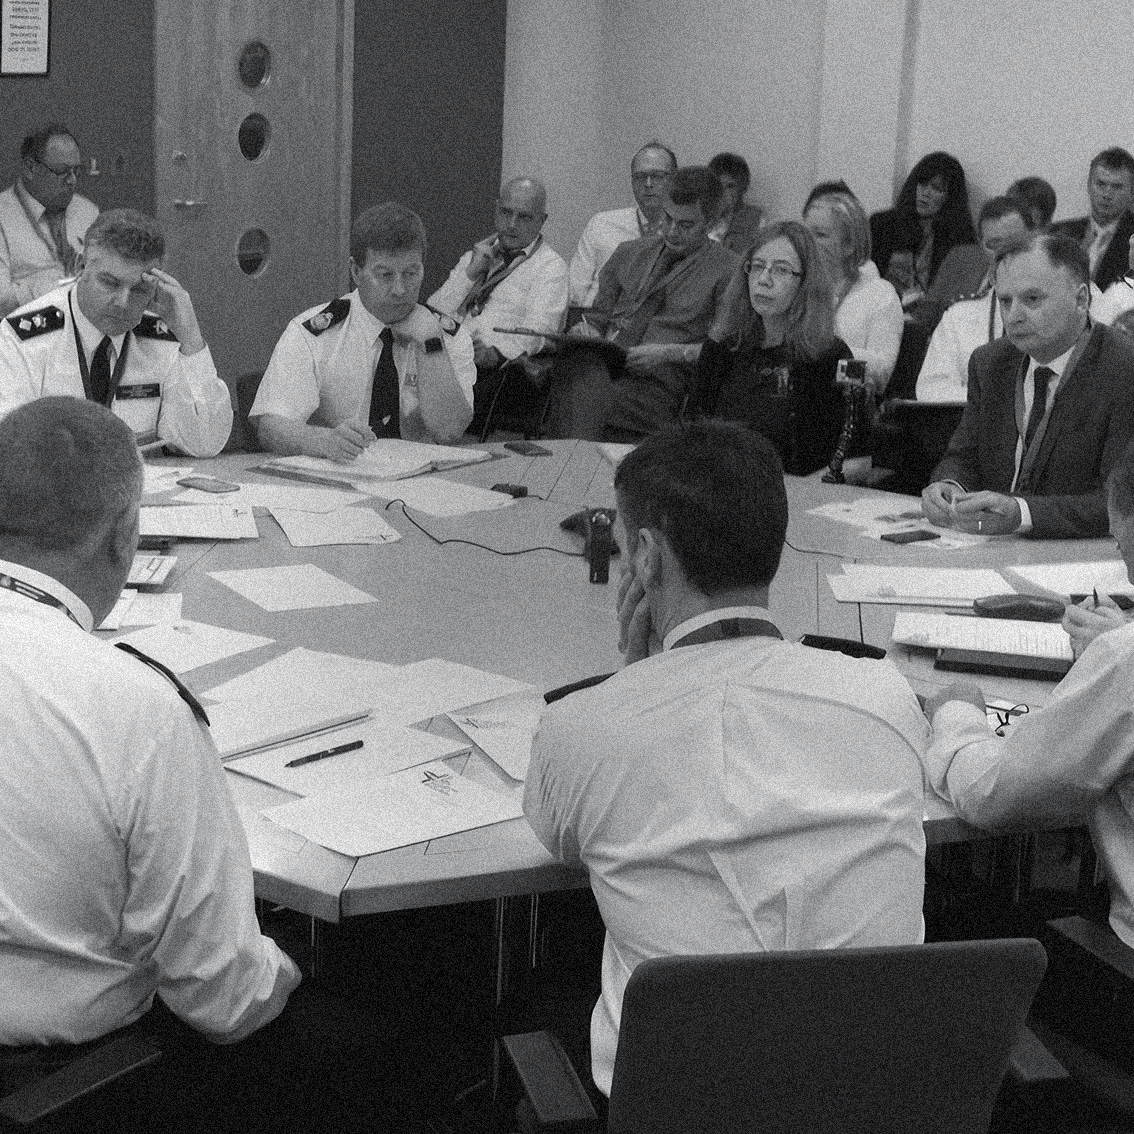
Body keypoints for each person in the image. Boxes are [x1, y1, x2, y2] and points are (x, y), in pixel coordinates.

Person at [524, 420, 928, 1098]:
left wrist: (635, 678)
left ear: (646, 557)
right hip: (879, 1099)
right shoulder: (884, 695)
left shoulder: (582, 727)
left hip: (678, 1104)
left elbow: (558, 839)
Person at [0, 397, 300, 1126]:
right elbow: (225, 1001)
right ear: (124, 537)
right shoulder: (138, 711)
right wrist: (295, 966)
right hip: (65, 1089)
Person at [924, 439, 1134, 954]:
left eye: (1121, 547)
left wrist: (956, 714)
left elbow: (991, 796)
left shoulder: (1124, 662)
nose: (1126, 569)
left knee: (964, 930)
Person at [922, 232, 1134, 539]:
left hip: (1080, 554)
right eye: (1005, 301)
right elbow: (963, 457)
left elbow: (1122, 502)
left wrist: (1023, 513)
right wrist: (949, 486)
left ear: (1081, 299)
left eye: (1032, 299)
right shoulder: (990, 363)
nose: (1014, 316)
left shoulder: (1124, 369)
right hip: (992, 545)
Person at [0, 208, 232, 457]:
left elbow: (205, 443)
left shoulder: (162, 337)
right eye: (110, 283)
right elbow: (9, 449)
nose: (123, 302)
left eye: (139, 290)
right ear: (80, 267)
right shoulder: (24, 338)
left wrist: (192, 341)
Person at [251, 202, 475, 460]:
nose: (400, 289)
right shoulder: (314, 334)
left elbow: (449, 432)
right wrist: (322, 440)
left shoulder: (446, 335)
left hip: (421, 476)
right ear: (356, 272)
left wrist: (431, 342)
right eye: (385, 275)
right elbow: (271, 426)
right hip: (339, 472)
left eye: (411, 273)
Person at [545, 166, 738, 441]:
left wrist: (669, 353)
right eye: (667, 218)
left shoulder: (728, 270)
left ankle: (572, 455)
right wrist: (586, 331)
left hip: (662, 380)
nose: (672, 231)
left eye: (686, 225)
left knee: (594, 400)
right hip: (604, 366)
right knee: (571, 373)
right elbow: (597, 317)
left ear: (711, 223)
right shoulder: (629, 253)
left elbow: (725, 351)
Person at [692, 221, 851, 474]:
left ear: (806, 283)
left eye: (781, 270)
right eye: (757, 267)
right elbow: (691, 432)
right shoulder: (722, 347)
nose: (763, 280)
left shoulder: (827, 356)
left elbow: (855, 456)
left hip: (795, 489)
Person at [426, 177, 567, 434]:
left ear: (542, 220)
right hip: (450, 357)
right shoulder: (477, 256)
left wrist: (495, 353)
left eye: (524, 217)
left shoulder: (550, 267)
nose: (511, 224)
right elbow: (431, 312)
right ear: (496, 210)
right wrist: (470, 273)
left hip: (498, 370)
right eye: (506, 212)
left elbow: (536, 334)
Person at [915, 196, 1034, 403]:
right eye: (993, 245)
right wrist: (992, 399)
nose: (1004, 255)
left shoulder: (1066, 304)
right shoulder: (959, 316)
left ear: (1034, 239)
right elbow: (930, 388)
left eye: (1014, 244)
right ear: (981, 245)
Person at [804, 188, 902, 394]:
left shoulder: (880, 294)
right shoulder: (795, 284)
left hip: (842, 401)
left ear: (849, 245)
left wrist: (826, 351)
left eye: (820, 234)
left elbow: (881, 372)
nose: (807, 243)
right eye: (805, 234)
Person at [0, 123, 98, 317]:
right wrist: (60, 284)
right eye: (62, 171)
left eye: (76, 171)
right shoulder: (3, 216)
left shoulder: (87, 211)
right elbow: (2, 299)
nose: (72, 180)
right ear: (30, 168)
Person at [567, 141, 677, 308]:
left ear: (675, 180)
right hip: (595, 317)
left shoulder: (684, 232)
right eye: (640, 177)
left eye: (657, 176)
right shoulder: (602, 224)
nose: (648, 183)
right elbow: (575, 289)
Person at [870, 152, 976, 309]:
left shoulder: (960, 239)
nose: (925, 193)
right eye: (922, 184)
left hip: (933, 317)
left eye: (936, 188)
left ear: (950, 197)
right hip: (883, 309)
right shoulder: (883, 225)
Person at [1054, 147, 1134, 292]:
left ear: (1131, 193)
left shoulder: (1132, 239)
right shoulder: (1058, 233)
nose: (1107, 194)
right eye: (1101, 184)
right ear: (1089, 186)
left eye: (1116, 187)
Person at [706, 152, 763, 254]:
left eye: (730, 186)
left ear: (743, 187)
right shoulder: (702, 216)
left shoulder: (757, 218)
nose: (723, 192)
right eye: (718, 185)